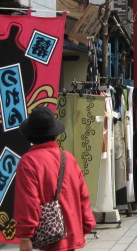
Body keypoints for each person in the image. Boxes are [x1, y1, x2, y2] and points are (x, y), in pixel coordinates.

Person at [14, 106, 96, 251]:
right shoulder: (68, 158)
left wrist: (26, 236)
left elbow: (28, 202)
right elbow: (83, 195)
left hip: (49, 235)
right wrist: (87, 223)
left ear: (30, 135)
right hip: (72, 231)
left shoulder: (28, 161)